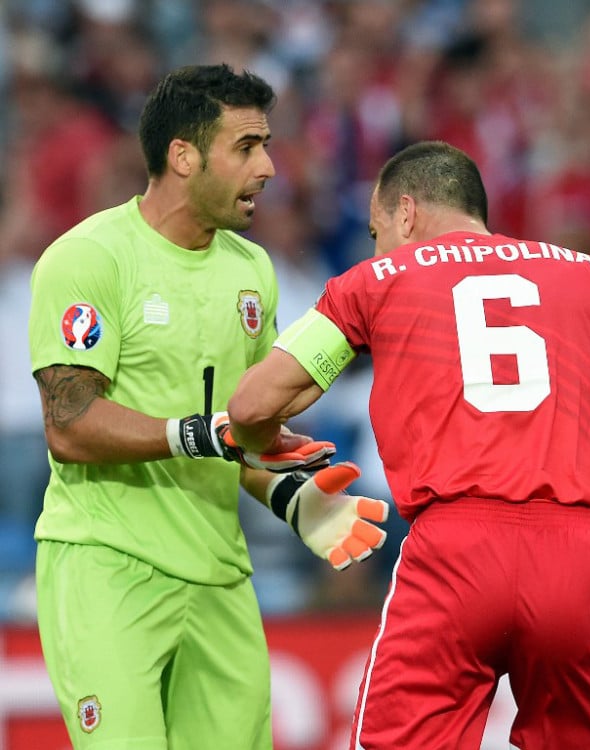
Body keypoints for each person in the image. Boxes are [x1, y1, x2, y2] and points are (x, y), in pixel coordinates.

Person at [226, 140, 590, 749]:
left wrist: (264, 443)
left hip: (453, 558)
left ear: (404, 213)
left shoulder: (372, 281)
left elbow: (250, 405)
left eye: (378, 230)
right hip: (577, 558)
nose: (379, 246)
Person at [27, 63, 388, 750]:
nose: (270, 167)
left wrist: (295, 500)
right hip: (107, 566)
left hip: (220, 576)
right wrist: (198, 433)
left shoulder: (250, 270)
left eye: (267, 144)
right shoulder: (88, 259)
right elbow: (69, 426)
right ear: (183, 156)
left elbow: (243, 434)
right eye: (247, 146)